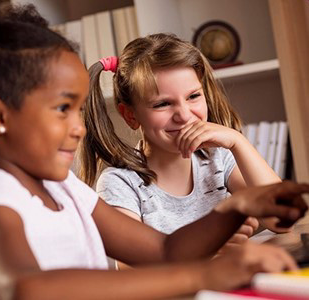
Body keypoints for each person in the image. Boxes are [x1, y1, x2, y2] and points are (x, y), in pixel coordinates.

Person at [0, 1, 309, 299]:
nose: (79, 127)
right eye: (62, 109)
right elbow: (26, 288)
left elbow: (165, 253)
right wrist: (204, 272)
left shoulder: (65, 190)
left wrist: (236, 207)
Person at [80, 34, 287, 259]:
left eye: (193, 96)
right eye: (162, 104)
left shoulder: (218, 159)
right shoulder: (119, 183)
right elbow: (132, 269)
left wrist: (238, 141)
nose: (184, 116)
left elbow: (282, 219)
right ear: (130, 115)